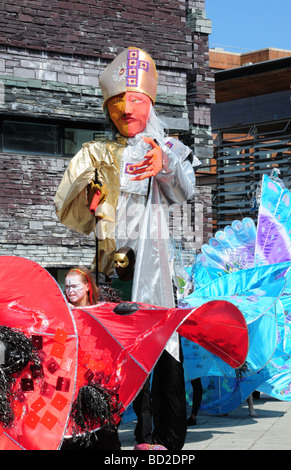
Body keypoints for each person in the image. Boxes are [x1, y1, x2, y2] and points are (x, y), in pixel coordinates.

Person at [54, 47, 198, 450]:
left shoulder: (163, 146)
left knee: (159, 344)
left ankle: (158, 437)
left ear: (149, 102)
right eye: (118, 101)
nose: (126, 107)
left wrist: (165, 159)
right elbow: (68, 209)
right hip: (112, 266)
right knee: (108, 350)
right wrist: (90, 193)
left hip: (152, 266)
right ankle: (102, 434)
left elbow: (185, 191)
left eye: (135, 99)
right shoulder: (96, 153)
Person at [61, 266, 122, 450]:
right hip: (72, 380)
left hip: (99, 380)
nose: (70, 291)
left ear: (88, 286)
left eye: (74, 286)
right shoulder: (63, 314)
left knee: (103, 431)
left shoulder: (101, 312)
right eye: (67, 287)